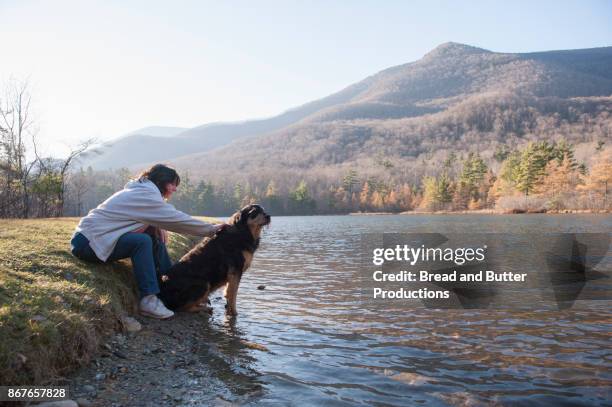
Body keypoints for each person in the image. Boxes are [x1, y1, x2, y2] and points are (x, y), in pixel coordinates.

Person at [70, 164, 225, 319]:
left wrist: (156, 226)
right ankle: (148, 300)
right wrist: (211, 229)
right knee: (142, 241)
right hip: (88, 243)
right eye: (172, 184)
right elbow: (177, 219)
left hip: (93, 238)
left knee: (152, 235)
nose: (174, 189)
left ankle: (171, 285)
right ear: (161, 181)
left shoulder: (142, 191)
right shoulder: (145, 195)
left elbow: (155, 217)